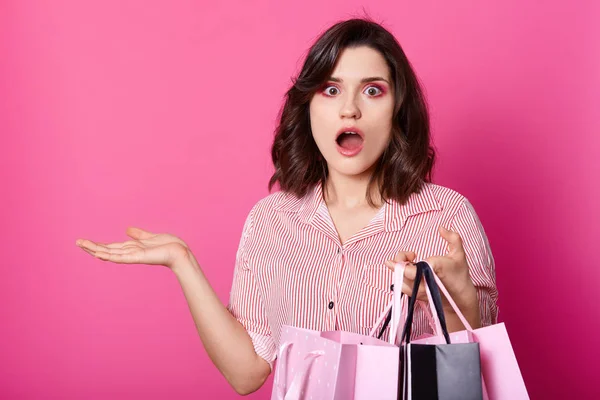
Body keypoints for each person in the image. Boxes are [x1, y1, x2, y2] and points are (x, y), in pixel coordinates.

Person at [76, 17, 498, 396]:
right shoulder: (271, 221)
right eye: (331, 89)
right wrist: (181, 261)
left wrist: (456, 304)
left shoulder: (446, 218)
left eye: (373, 90)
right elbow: (247, 374)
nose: (349, 108)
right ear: (309, 106)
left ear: (397, 109)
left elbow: (472, 377)